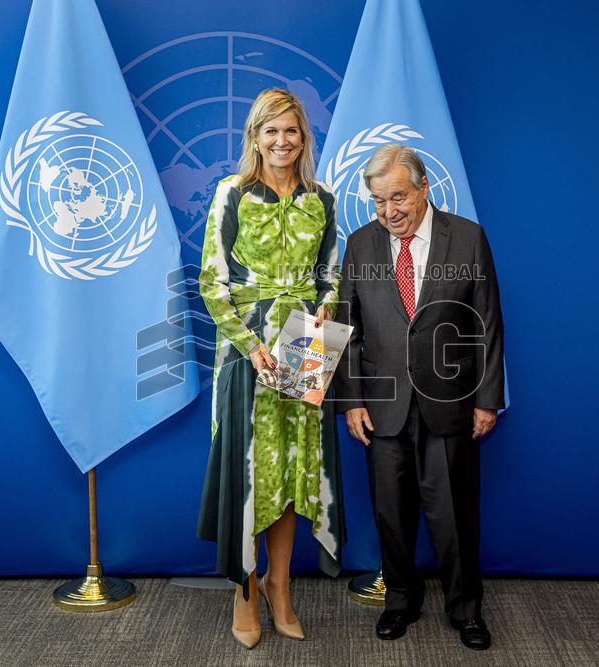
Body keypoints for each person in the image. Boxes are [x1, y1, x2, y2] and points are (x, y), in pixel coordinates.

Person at [334, 145, 505, 651]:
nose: (389, 211)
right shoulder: (360, 244)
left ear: (423, 188)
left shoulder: (468, 238)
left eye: (398, 197)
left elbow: (489, 324)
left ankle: (465, 610)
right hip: (382, 406)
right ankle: (400, 602)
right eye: (378, 201)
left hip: (450, 403)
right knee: (391, 513)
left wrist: (487, 399)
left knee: (453, 516)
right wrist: (352, 401)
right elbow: (346, 325)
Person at [196, 88, 344, 649]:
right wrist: (248, 345)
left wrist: (325, 308)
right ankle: (246, 589)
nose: (282, 142)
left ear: (304, 138)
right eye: (270, 131)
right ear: (254, 138)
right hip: (248, 348)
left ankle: (282, 587)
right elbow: (212, 282)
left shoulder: (323, 198)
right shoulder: (231, 194)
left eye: (292, 132)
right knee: (253, 469)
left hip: (308, 341)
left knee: (294, 469)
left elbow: (332, 271)